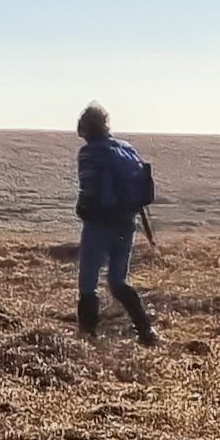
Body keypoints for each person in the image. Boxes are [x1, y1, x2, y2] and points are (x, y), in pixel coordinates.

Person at [73, 103, 157, 343]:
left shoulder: (90, 153)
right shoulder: (127, 148)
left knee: (88, 281)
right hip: (127, 222)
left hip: (99, 223)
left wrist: (83, 210)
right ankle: (146, 330)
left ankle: (87, 336)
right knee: (118, 281)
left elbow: (88, 189)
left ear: (84, 128)